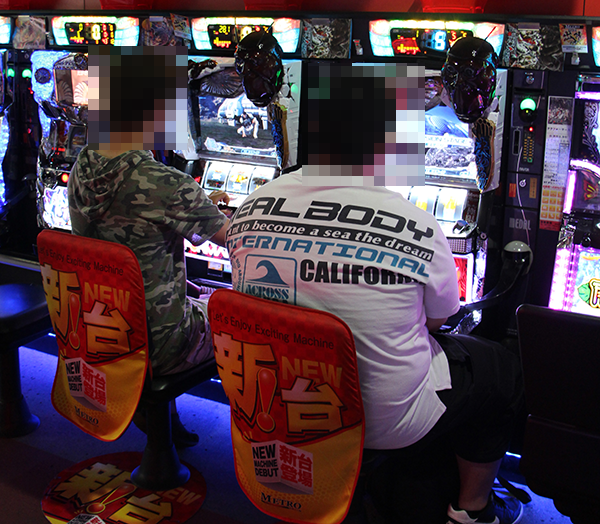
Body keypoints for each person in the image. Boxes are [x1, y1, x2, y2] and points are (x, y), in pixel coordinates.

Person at [226, 174, 524, 524]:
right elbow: (438, 319)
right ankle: (472, 510)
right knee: (503, 370)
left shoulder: (249, 207)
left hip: (272, 402)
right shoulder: (417, 224)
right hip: (382, 420)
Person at [68, 46, 230, 447]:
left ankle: (160, 423)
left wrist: (196, 202)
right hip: (160, 342)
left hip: (101, 324)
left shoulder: (81, 167)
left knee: (192, 295)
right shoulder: (163, 182)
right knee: (238, 318)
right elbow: (235, 239)